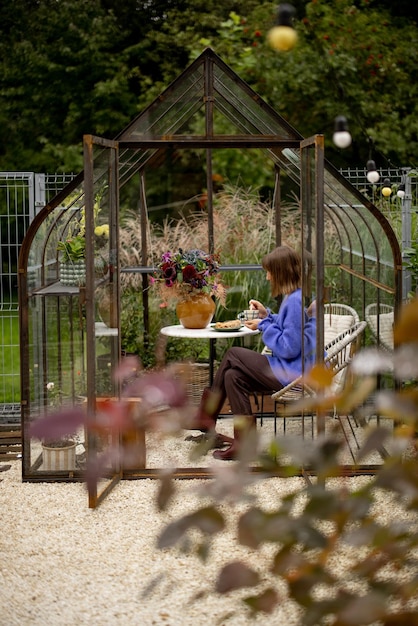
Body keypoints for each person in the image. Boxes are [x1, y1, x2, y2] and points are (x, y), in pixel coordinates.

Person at [191, 245, 317, 461]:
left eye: (269, 272)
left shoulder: (295, 301)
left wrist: (263, 325)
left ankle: (206, 416)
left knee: (233, 354)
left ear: (279, 272)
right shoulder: (293, 297)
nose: (267, 278)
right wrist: (267, 315)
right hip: (288, 368)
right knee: (233, 376)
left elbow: (289, 347)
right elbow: (291, 328)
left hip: (292, 374)